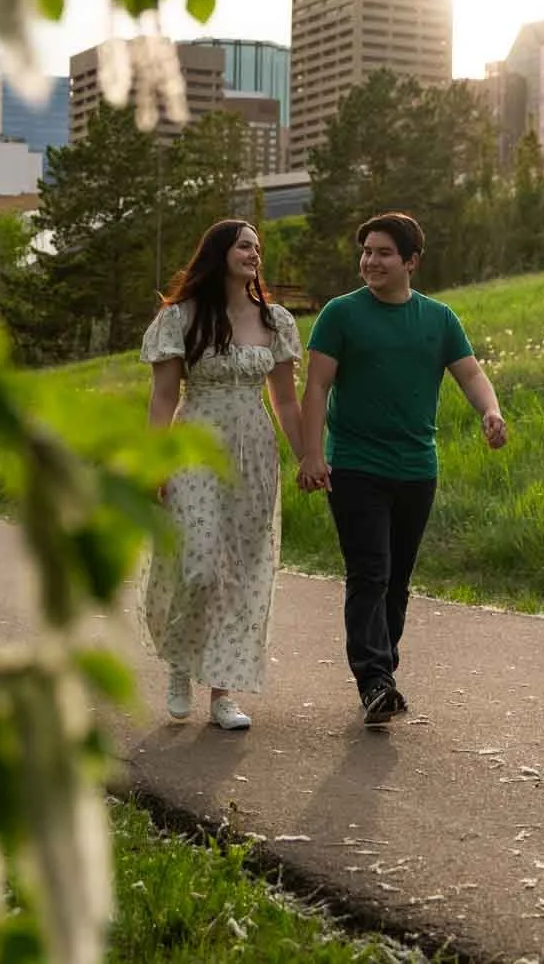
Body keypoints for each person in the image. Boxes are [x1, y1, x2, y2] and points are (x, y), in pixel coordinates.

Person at [297, 212, 505, 726]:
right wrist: (311, 452)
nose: (371, 260)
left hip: (416, 467)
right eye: (367, 251)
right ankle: (373, 679)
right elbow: (317, 386)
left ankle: (382, 672)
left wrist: (490, 411)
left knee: (397, 580)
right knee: (370, 571)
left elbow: (470, 372)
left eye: (384, 252)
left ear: (411, 261)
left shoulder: (438, 319)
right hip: (355, 465)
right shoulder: (341, 315)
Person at [140, 219, 305, 731]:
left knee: (240, 573)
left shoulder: (274, 321)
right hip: (196, 445)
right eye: (243, 244)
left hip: (253, 450)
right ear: (218, 253)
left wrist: (308, 457)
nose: (254, 253)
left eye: (258, 246)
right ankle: (179, 664)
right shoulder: (180, 318)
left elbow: (284, 400)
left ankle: (223, 694)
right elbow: (164, 396)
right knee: (199, 564)